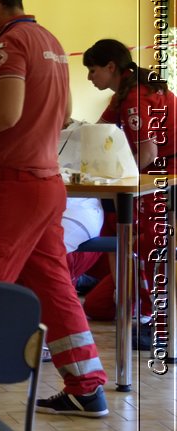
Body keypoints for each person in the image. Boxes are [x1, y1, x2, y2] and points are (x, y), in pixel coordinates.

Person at [0, 0, 109, 416]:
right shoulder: (51, 42)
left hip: (17, 187)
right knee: (56, 290)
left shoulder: (9, 42)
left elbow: (7, 118)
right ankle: (86, 386)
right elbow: (57, 116)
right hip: (47, 184)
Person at [81, 38, 177, 330]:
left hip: (163, 171)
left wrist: (116, 181)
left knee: (149, 243)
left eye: (92, 70)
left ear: (111, 67)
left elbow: (148, 153)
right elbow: (98, 132)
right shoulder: (123, 93)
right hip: (156, 168)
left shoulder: (137, 97)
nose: (89, 77)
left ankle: (154, 319)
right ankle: (131, 300)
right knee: (98, 304)